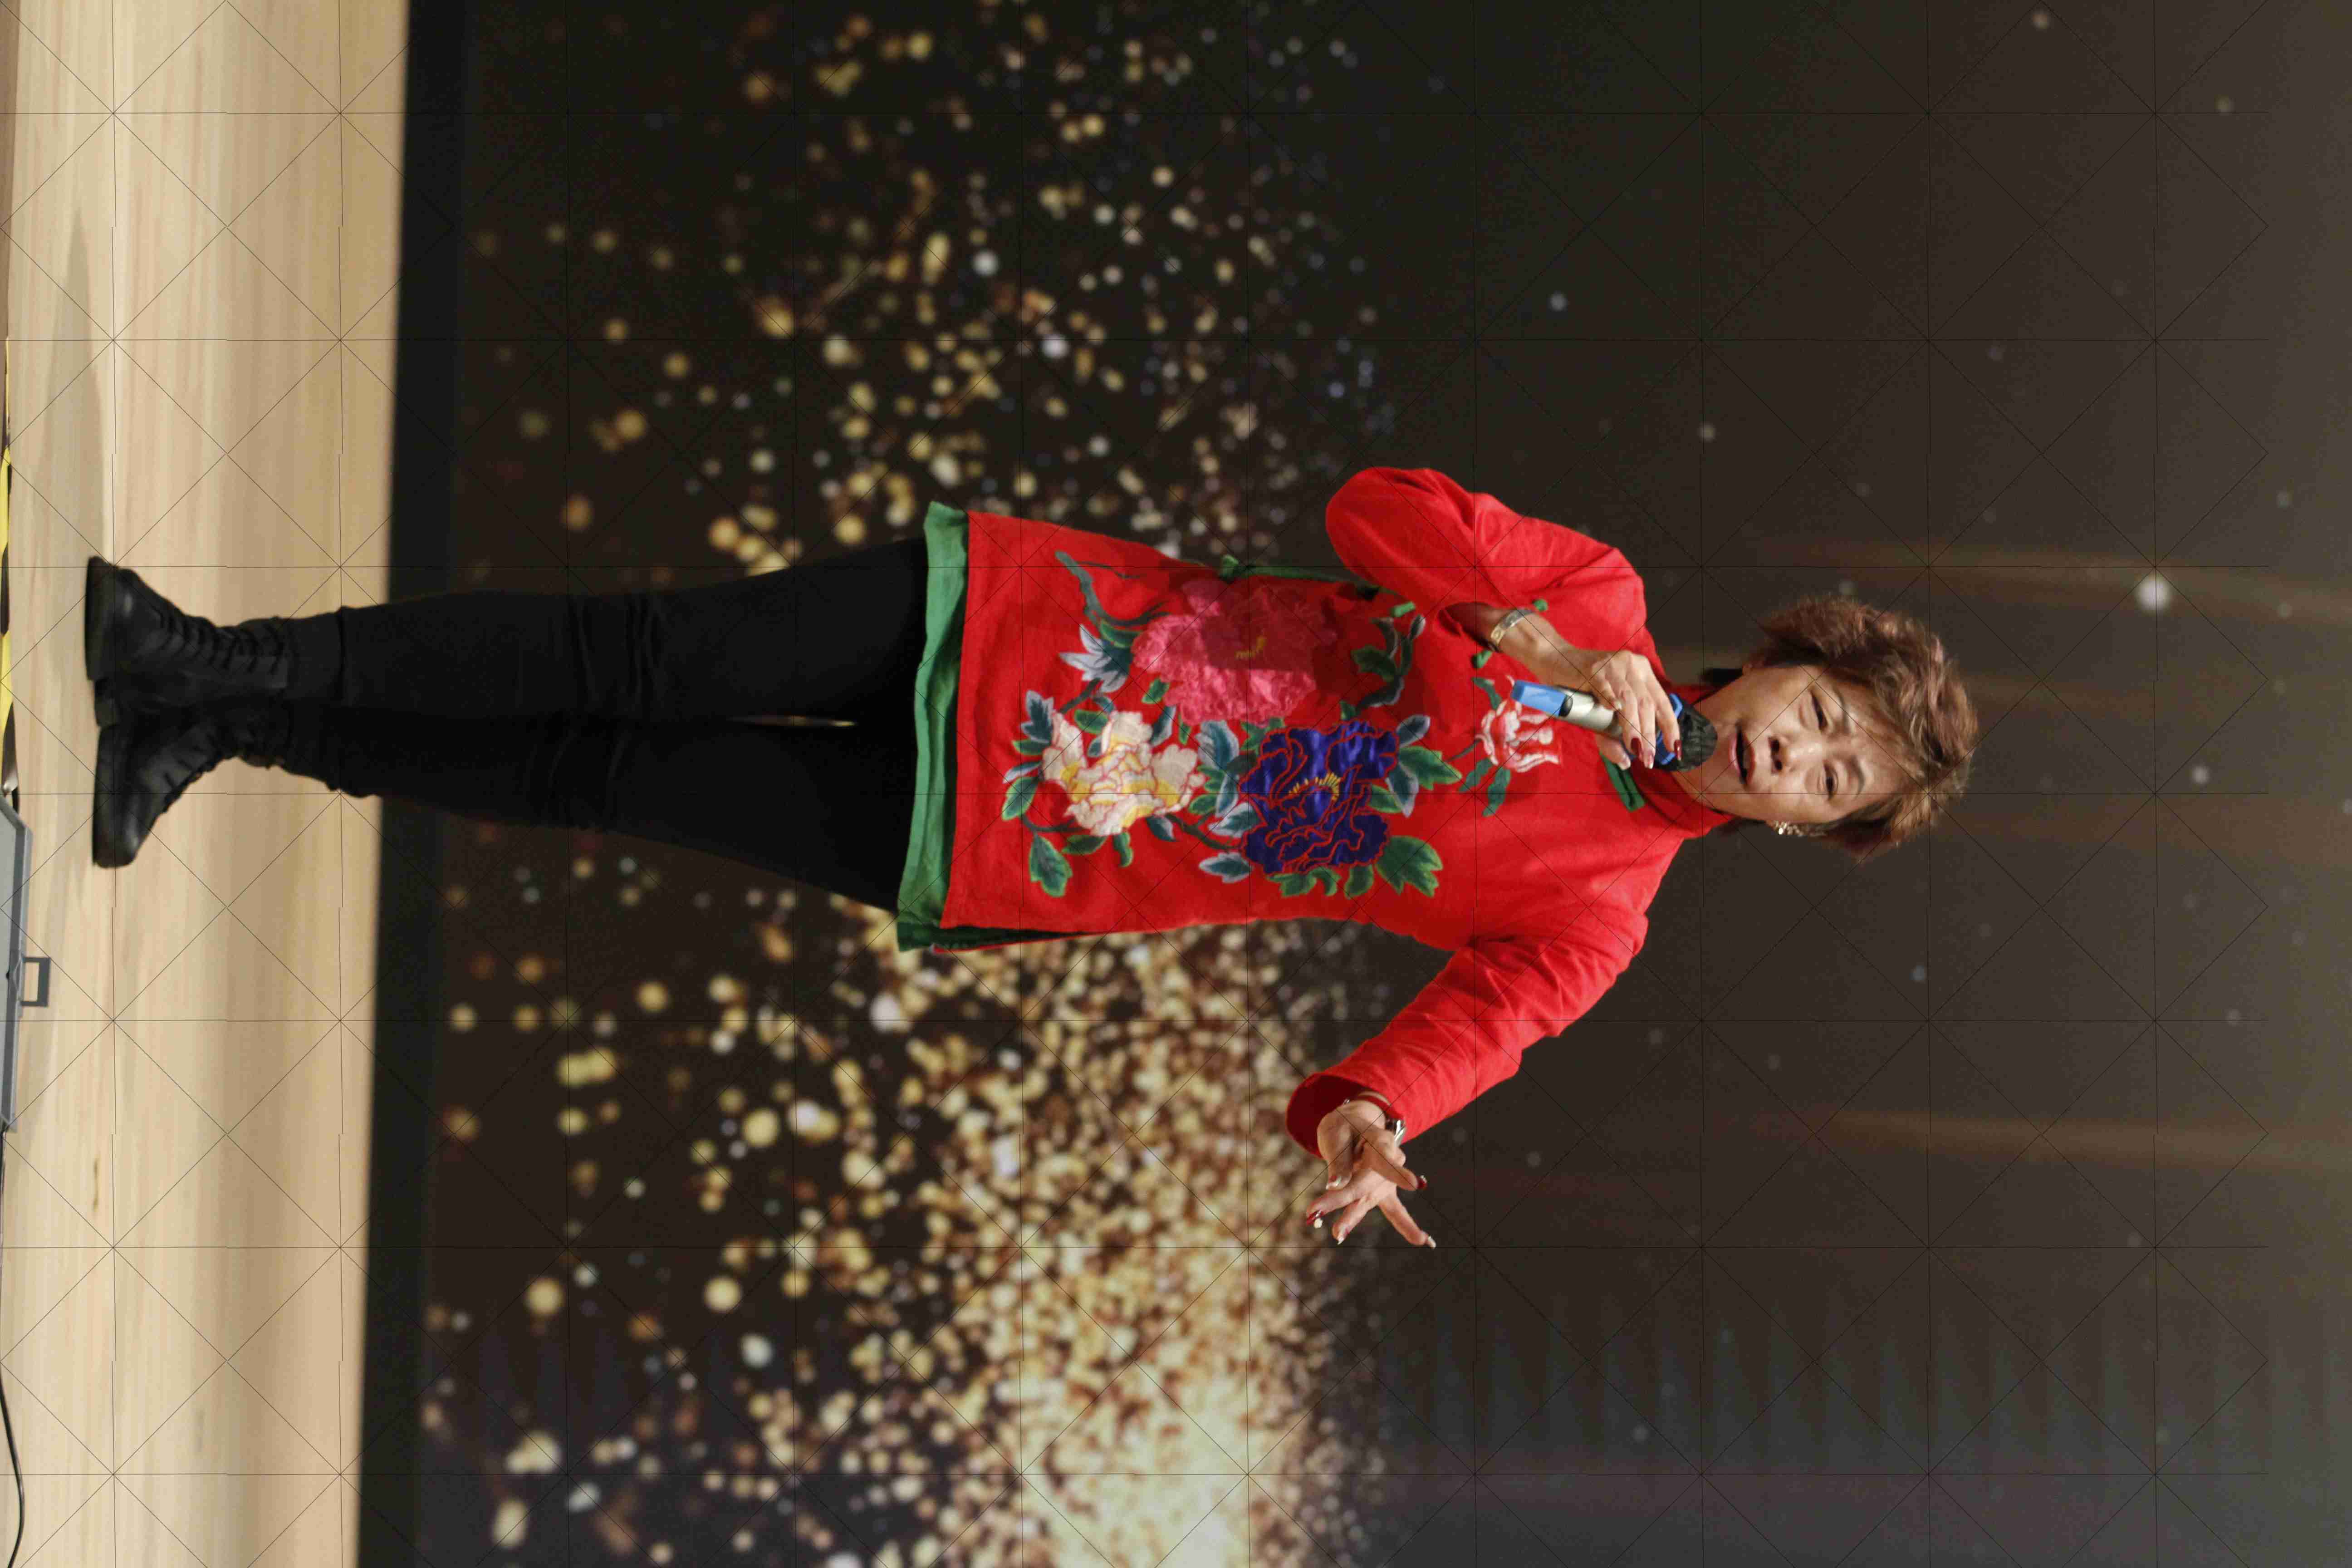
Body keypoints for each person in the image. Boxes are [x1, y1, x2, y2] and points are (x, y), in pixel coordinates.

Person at [84, 467, 1977, 1249]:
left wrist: (1367, 1121)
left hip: (1031, 841)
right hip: (1016, 620)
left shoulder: (1601, 914)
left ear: (1804, 830)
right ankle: (216, 657)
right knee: (633, 657)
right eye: (1820, 715)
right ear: (1780, 661)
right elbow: (1370, 512)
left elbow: (1465, 1041)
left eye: (1834, 782)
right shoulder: (1599, 599)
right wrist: (1533, 634)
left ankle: (227, 732)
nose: (1798, 755)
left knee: (609, 778)